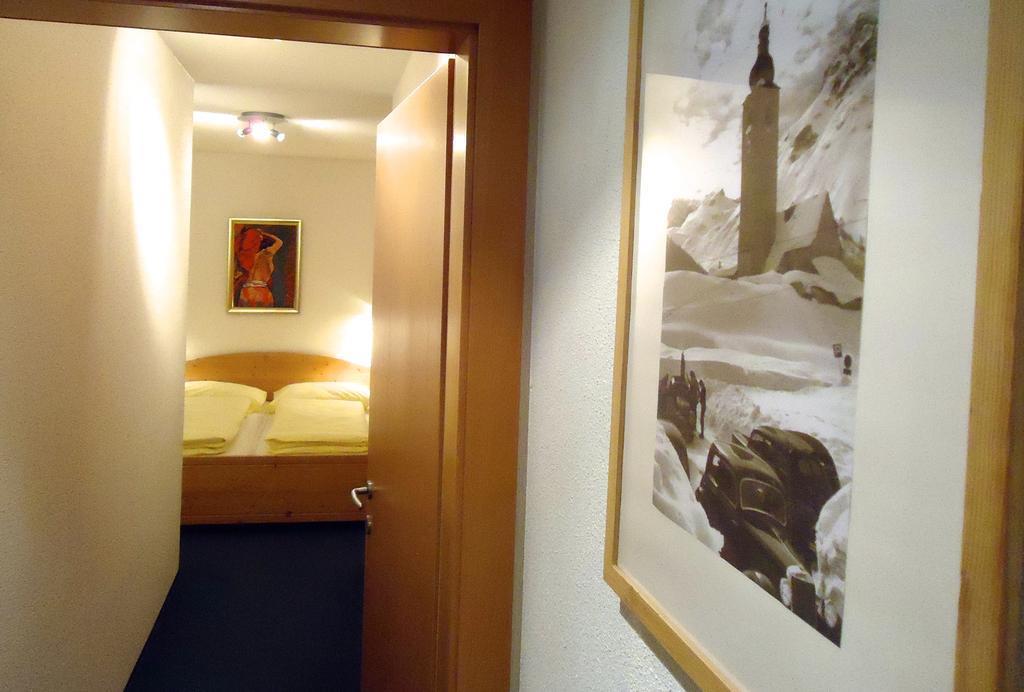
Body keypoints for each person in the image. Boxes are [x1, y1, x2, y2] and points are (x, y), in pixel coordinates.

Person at [238, 229, 283, 308]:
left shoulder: (245, 257)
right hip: (261, 292)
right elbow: (279, 242)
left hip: (246, 292)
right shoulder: (266, 253)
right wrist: (263, 233)